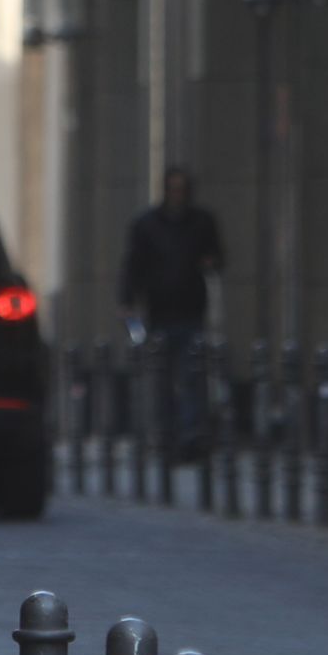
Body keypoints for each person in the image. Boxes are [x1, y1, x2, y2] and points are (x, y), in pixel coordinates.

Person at [117, 168, 224, 460]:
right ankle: (165, 436)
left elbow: (216, 258)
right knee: (161, 379)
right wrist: (127, 301)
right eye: (173, 189)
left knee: (192, 376)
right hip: (158, 312)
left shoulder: (201, 222)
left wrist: (210, 262)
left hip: (191, 309)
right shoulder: (147, 225)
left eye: (182, 189)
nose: (178, 195)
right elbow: (132, 265)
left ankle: (191, 436)